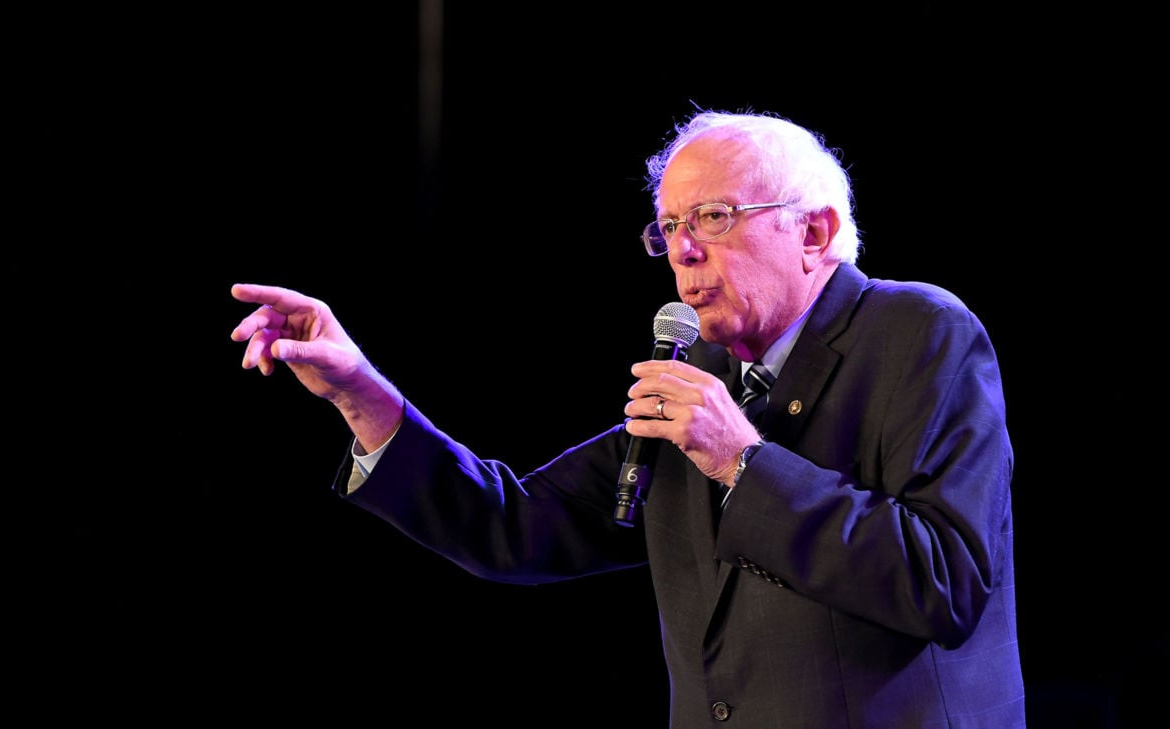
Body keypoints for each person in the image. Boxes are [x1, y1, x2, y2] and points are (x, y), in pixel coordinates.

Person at [230, 110, 1025, 727]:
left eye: (713, 217)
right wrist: (359, 392)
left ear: (812, 231)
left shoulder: (920, 333)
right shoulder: (700, 378)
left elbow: (945, 581)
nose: (683, 251)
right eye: (670, 228)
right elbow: (518, 525)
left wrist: (743, 462)